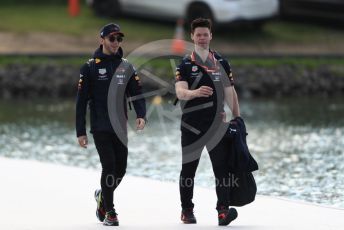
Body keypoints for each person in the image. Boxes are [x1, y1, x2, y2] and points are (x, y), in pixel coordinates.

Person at [76, 23, 146, 226]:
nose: (116, 43)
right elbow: (80, 103)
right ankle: (110, 212)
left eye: (119, 39)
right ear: (102, 40)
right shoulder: (89, 67)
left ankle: (102, 197)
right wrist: (80, 131)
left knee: (121, 169)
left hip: (120, 127)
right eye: (112, 39)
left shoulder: (127, 66)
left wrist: (141, 114)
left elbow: (137, 93)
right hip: (100, 126)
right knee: (109, 165)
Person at [175, 18, 240, 226]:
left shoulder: (221, 62)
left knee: (221, 169)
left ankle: (223, 211)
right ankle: (187, 210)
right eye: (198, 35)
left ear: (211, 36)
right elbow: (180, 92)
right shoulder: (185, 64)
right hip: (191, 125)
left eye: (206, 34)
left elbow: (230, 92)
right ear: (192, 37)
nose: (202, 38)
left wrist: (237, 119)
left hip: (217, 124)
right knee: (189, 170)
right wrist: (195, 93)